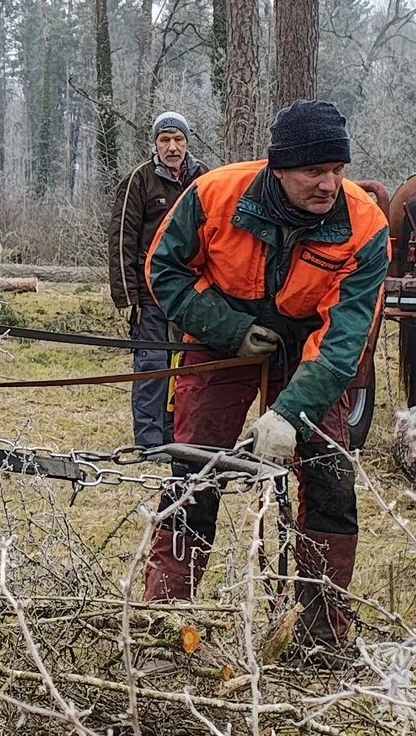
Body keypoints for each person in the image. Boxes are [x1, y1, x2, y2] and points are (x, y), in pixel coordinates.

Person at [144, 100, 389, 648]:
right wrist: (229, 329)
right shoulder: (214, 195)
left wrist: (290, 414)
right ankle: (164, 620)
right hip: (219, 343)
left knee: (330, 480)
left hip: (310, 356)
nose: (329, 184)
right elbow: (164, 269)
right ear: (279, 168)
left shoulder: (365, 224)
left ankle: (320, 632)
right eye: (314, 171)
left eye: (338, 170)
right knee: (195, 472)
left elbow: (345, 340)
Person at [108, 111, 202, 450]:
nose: (172, 147)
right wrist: (125, 296)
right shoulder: (140, 180)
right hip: (149, 293)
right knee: (152, 363)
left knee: (185, 365)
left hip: (192, 292)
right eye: (165, 140)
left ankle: (174, 436)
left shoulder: (203, 178)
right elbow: (122, 238)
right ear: (155, 144)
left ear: (187, 142)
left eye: (178, 139)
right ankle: (148, 442)